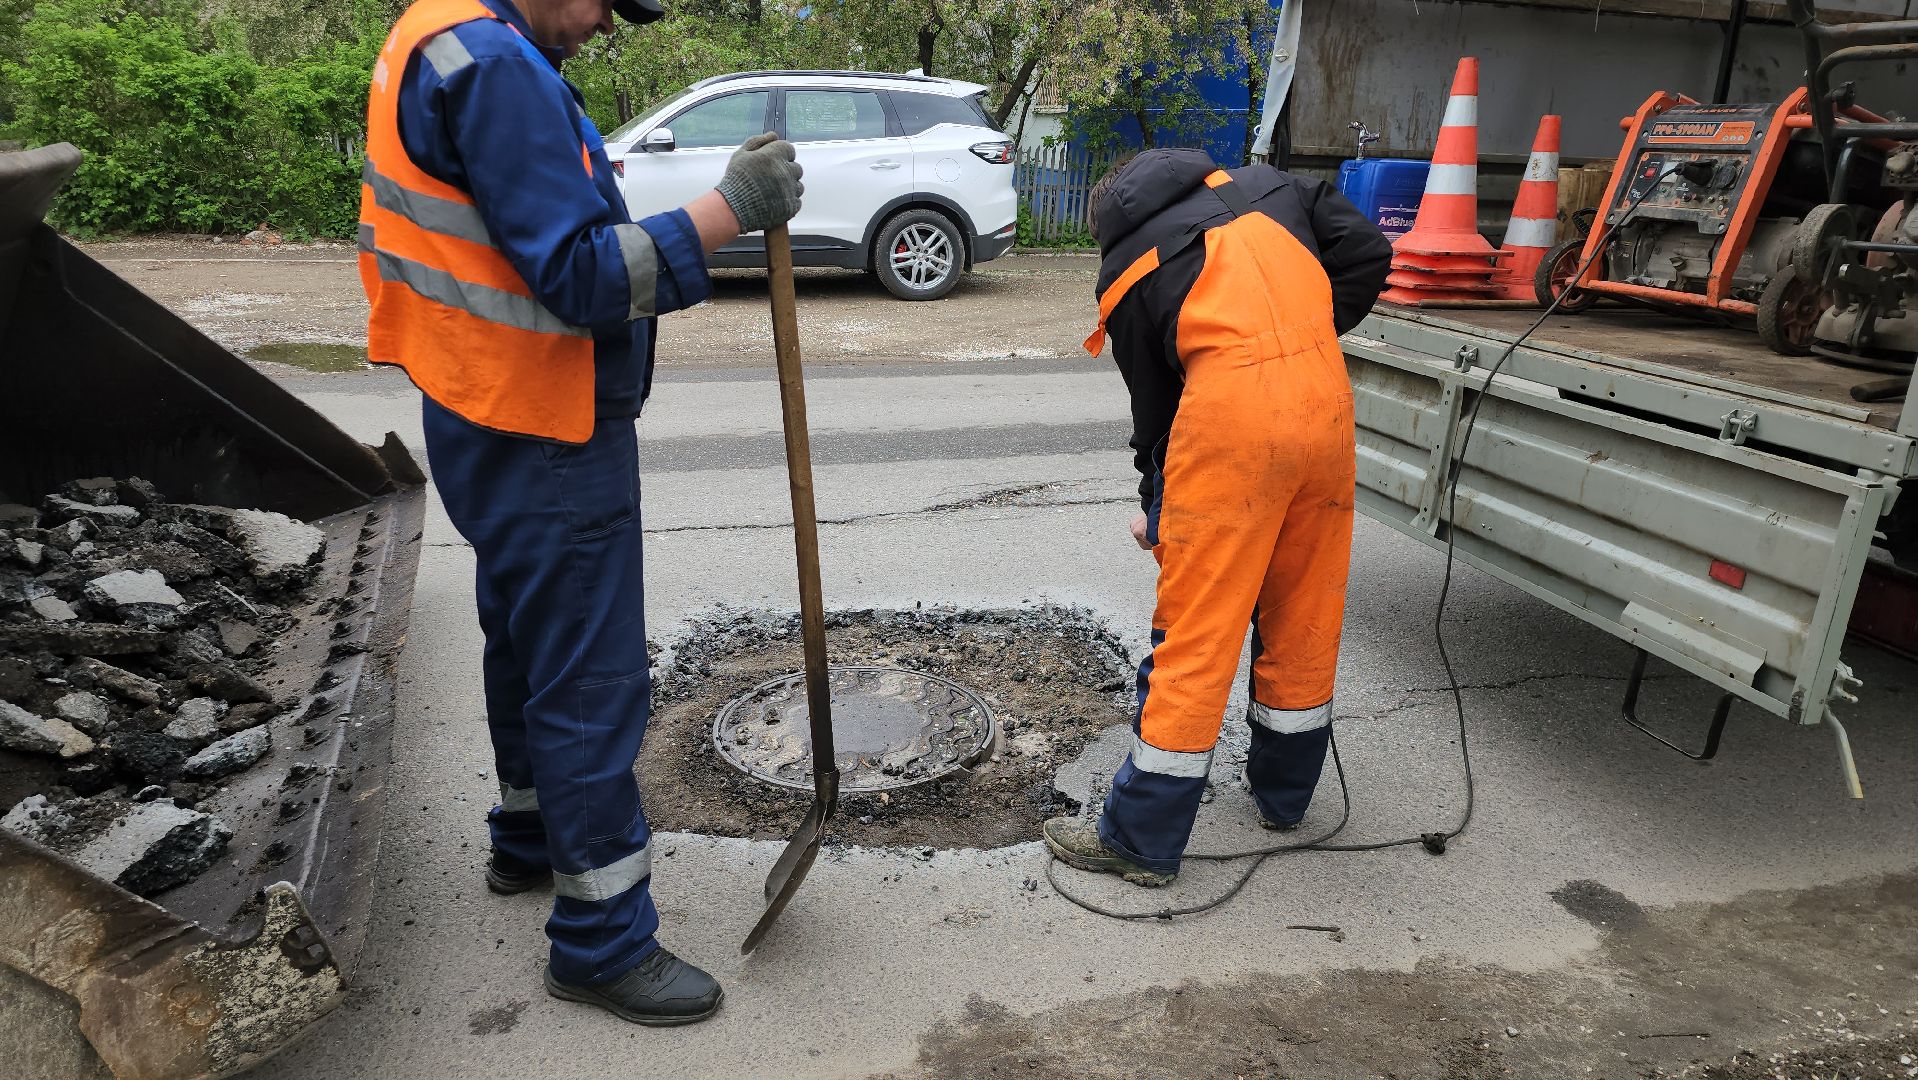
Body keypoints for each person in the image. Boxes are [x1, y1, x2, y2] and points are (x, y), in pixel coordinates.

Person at [358, 0, 802, 1024]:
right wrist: (727, 209)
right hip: (543, 416)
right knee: (590, 678)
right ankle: (601, 941)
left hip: (476, 403)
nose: (608, 24)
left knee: (523, 637)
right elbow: (582, 277)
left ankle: (528, 839)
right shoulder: (497, 69)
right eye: (607, 0)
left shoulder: (441, 33)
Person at [1042, 149, 1392, 886]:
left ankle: (1140, 840)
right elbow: (1367, 250)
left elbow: (1157, 413)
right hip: (1325, 410)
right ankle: (1285, 800)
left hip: (1230, 429)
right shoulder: (1274, 187)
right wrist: (1305, 336)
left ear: (1109, 221)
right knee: (1305, 608)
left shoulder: (1130, 269)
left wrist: (1158, 508)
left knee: (1196, 634)